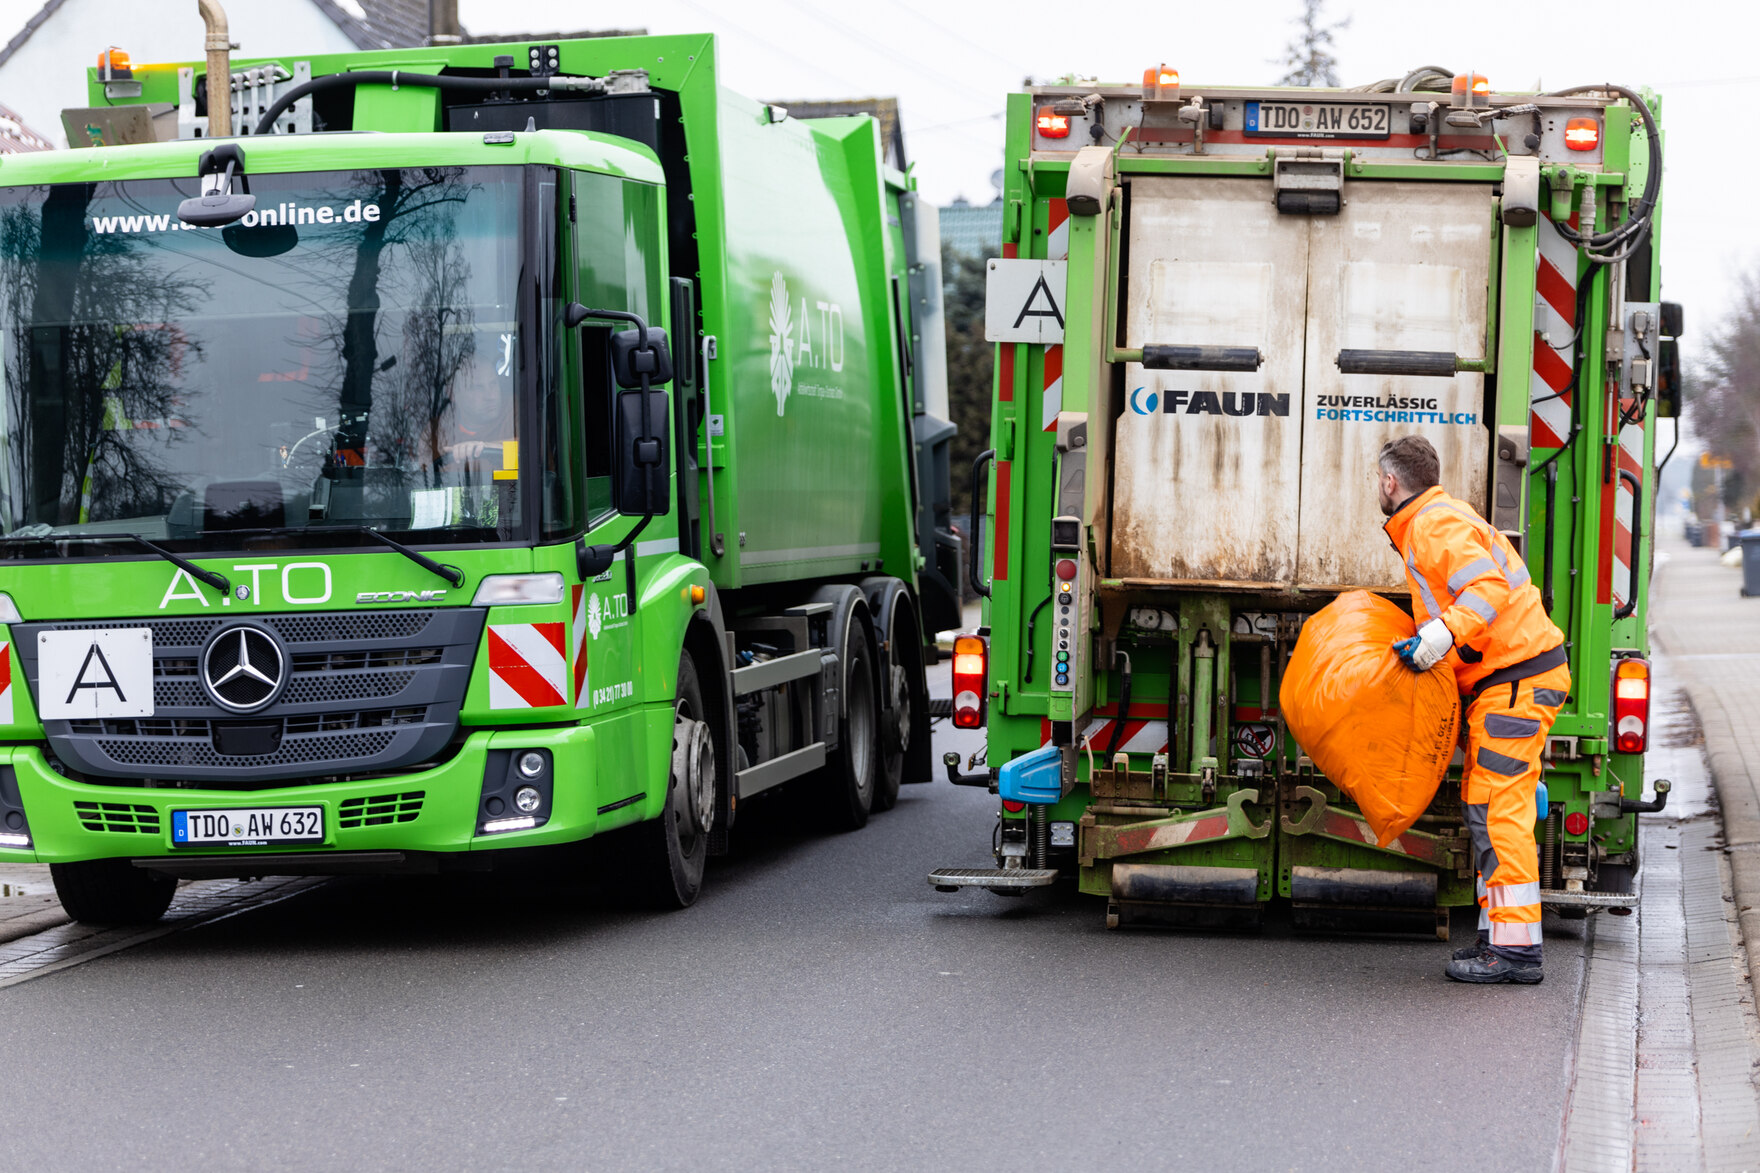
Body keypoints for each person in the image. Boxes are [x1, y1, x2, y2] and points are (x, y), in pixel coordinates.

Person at [1377, 435, 1569, 985]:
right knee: (1489, 810)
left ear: (1391, 482)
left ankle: (1514, 955)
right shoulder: (1437, 519)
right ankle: (1500, 940)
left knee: (1499, 814)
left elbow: (1484, 589)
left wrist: (1437, 639)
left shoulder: (1433, 525)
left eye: (1378, 481)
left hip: (1515, 681)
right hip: (1511, 682)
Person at [443, 353, 516, 466]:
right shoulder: (439, 431)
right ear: (453, 394)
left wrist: (486, 447)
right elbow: (424, 474)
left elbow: (535, 453)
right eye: (478, 388)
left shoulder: (517, 412)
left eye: (493, 383)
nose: (491, 396)